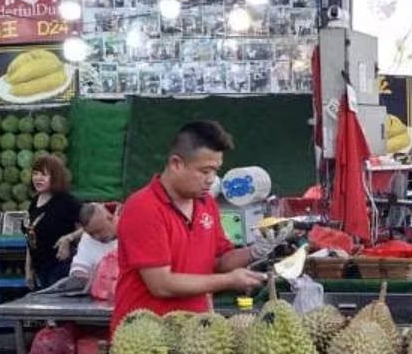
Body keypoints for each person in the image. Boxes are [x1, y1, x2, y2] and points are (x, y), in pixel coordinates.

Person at [112, 121, 288, 330]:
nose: (211, 180)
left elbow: (219, 260)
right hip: (145, 337)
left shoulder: (206, 205)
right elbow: (161, 285)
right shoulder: (143, 208)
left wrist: (256, 251)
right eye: (205, 171)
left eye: (215, 171)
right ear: (176, 163)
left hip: (196, 335)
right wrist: (228, 281)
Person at [24, 155, 81, 290]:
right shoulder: (34, 202)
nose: (38, 178)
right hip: (40, 270)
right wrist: (28, 269)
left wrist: (68, 238)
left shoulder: (66, 201)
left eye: (44, 175)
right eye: (35, 174)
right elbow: (30, 236)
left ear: (55, 177)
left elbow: (91, 225)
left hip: (61, 268)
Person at [69, 202, 119, 281]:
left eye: (99, 231)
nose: (96, 237)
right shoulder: (87, 238)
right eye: (91, 234)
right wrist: (80, 276)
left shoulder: (130, 227)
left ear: (110, 218)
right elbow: (80, 266)